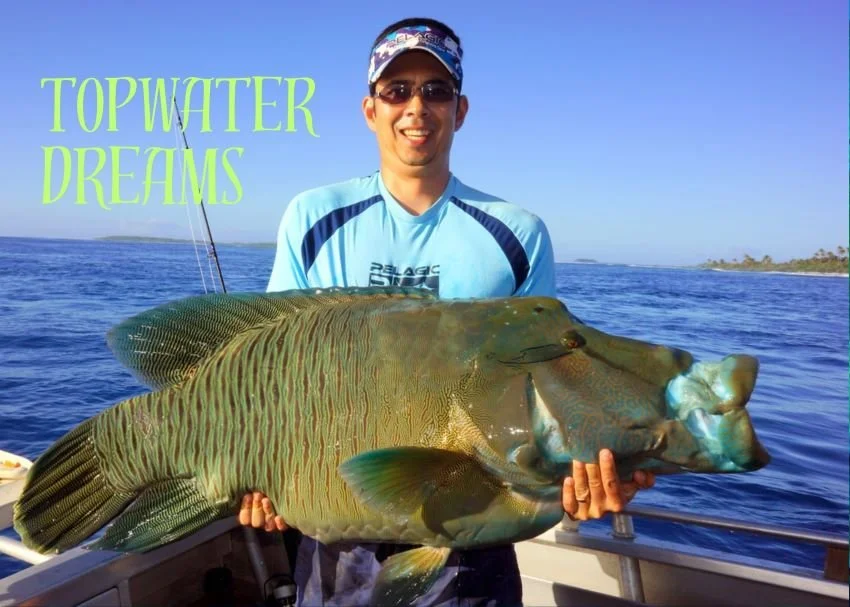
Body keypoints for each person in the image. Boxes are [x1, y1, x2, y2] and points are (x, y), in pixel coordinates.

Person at [240, 17, 655, 606]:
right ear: (370, 109)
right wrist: (261, 475)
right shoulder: (312, 217)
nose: (416, 107)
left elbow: (547, 393)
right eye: (397, 90)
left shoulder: (517, 233)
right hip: (338, 536)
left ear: (460, 110)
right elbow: (275, 372)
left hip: (471, 540)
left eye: (436, 91)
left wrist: (590, 471)